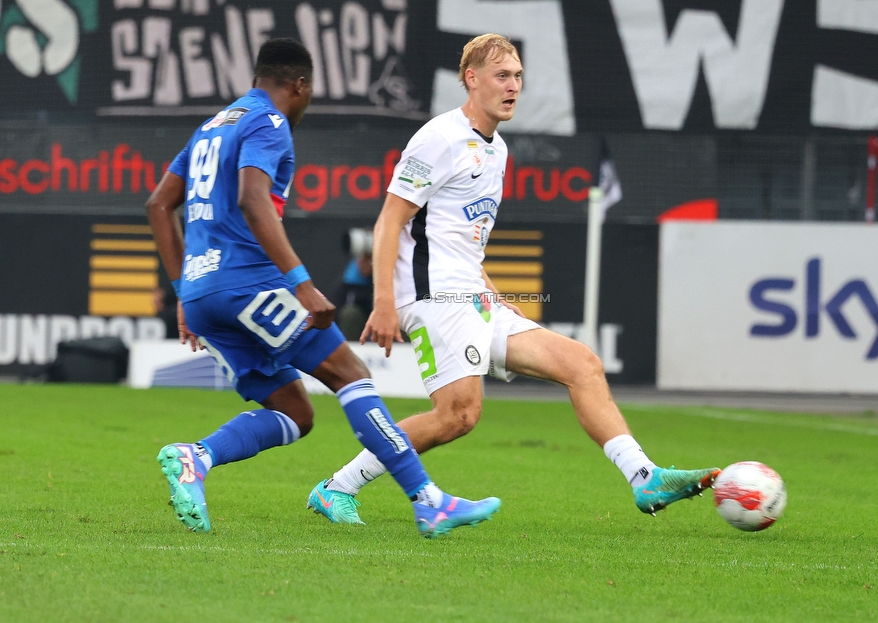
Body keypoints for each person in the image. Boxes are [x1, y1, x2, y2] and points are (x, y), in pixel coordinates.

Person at [308, 34, 720, 526]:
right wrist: (383, 302)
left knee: (581, 364)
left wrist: (495, 295)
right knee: (458, 414)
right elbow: (389, 221)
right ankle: (338, 487)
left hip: (473, 296)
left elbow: (463, 239)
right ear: (472, 78)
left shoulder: (497, 149)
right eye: (502, 76)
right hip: (433, 295)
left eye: (519, 76)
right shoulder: (438, 137)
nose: (513, 86)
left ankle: (643, 476)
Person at [145, 37, 500, 538]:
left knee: (295, 410)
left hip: (204, 295)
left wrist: (185, 291)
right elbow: (253, 197)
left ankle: (194, 458)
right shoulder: (269, 124)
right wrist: (302, 284)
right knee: (351, 374)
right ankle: (429, 502)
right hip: (249, 285)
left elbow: (159, 205)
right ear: (300, 85)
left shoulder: (213, 126)